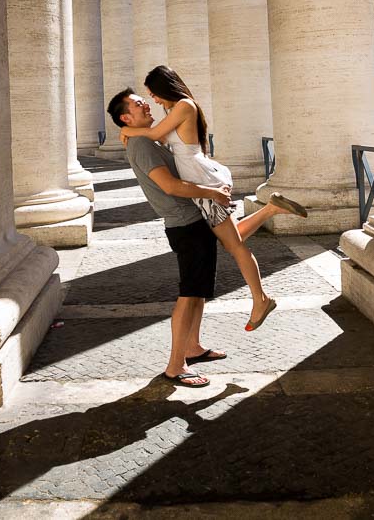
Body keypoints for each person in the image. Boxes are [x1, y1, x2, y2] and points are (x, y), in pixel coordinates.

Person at [106, 88, 301, 388]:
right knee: (188, 295)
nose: (146, 104)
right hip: (184, 223)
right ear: (125, 116)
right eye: (137, 103)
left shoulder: (145, 139)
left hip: (191, 219)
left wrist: (130, 132)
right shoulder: (141, 146)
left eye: (144, 100)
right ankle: (175, 366)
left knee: (199, 289)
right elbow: (170, 186)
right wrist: (211, 193)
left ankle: (192, 347)